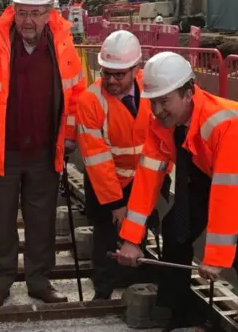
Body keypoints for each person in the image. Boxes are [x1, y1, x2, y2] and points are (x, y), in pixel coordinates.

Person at [116, 52, 238, 329]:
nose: (156, 110)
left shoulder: (227, 124)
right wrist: (131, 239)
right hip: (216, 171)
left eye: (164, 101)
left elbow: (227, 194)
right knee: (174, 229)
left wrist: (215, 259)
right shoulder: (163, 125)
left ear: (188, 93)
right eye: (152, 102)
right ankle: (175, 308)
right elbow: (147, 180)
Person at [0, 0, 85, 307]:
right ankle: (0, 282)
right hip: (2, 152)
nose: (29, 20)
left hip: (45, 151)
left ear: (49, 12)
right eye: (23, 12)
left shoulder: (62, 46)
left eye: (36, 12)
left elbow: (76, 95)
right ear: (13, 10)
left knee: (41, 219)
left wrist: (69, 136)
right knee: (1, 220)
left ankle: (39, 281)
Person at [76, 30, 170, 300]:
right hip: (107, 183)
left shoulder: (153, 92)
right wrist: (116, 203)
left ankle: (137, 279)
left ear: (135, 70)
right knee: (106, 234)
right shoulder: (91, 101)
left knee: (144, 228)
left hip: (146, 177)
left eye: (119, 74)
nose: (111, 80)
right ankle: (103, 289)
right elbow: (97, 159)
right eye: (106, 73)